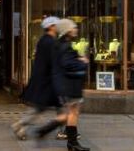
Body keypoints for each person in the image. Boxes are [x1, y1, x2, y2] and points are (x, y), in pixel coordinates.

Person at [34, 19, 90, 151]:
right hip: (68, 85)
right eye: (73, 27)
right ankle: (47, 131)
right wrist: (83, 62)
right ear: (67, 30)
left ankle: (71, 143)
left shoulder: (61, 44)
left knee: (72, 112)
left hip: (66, 84)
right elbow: (67, 64)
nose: (76, 29)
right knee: (70, 113)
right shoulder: (65, 46)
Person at [12, 16, 61, 140]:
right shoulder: (49, 41)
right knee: (40, 108)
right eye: (56, 25)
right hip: (46, 80)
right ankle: (21, 125)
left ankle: (22, 126)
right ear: (51, 27)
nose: (58, 27)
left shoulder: (45, 40)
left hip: (44, 79)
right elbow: (53, 61)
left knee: (42, 107)